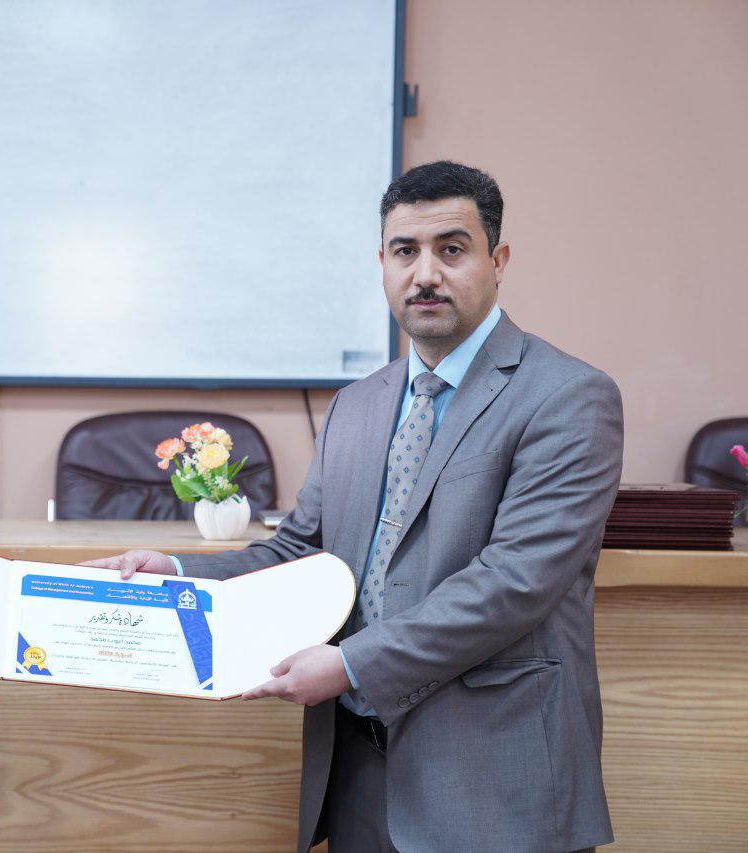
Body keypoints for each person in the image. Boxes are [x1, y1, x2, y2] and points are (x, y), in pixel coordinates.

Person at [87, 162, 622, 852]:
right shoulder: (358, 405)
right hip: (359, 774)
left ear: (498, 261)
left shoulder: (568, 396)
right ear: (382, 264)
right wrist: (176, 570)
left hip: (493, 780)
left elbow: (515, 582)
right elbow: (300, 551)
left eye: (451, 249)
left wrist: (350, 665)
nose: (425, 274)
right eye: (405, 251)